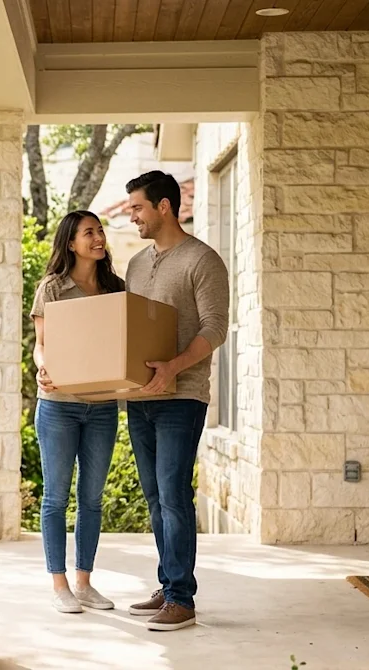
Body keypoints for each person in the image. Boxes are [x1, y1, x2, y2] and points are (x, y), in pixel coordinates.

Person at [122, 170, 229, 632]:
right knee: (154, 495)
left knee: (173, 495)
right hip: (138, 397)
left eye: (138, 208)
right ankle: (168, 586)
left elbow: (215, 327)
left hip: (182, 396)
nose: (133, 217)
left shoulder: (203, 261)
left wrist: (174, 366)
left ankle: (182, 597)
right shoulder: (135, 265)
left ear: (164, 206)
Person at [29, 210, 125, 614]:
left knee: (91, 499)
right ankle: (60, 585)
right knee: (55, 498)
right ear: (71, 243)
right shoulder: (51, 289)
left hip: (102, 406)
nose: (98, 238)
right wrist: (42, 368)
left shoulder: (116, 289)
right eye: (90, 233)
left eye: (100, 231)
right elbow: (41, 344)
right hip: (59, 408)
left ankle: (84, 583)